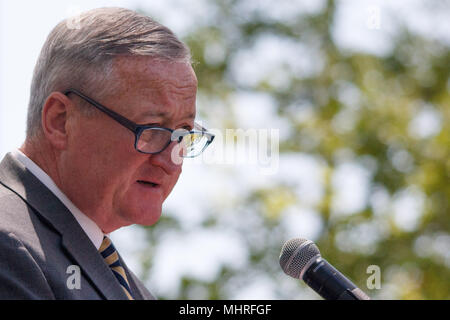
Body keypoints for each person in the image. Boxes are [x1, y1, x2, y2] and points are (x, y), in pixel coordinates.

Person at [0, 7, 214, 299]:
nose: (171, 161)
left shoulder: (132, 288)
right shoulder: (9, 245)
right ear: (61, 121)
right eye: (152, 129)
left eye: (183, 134)